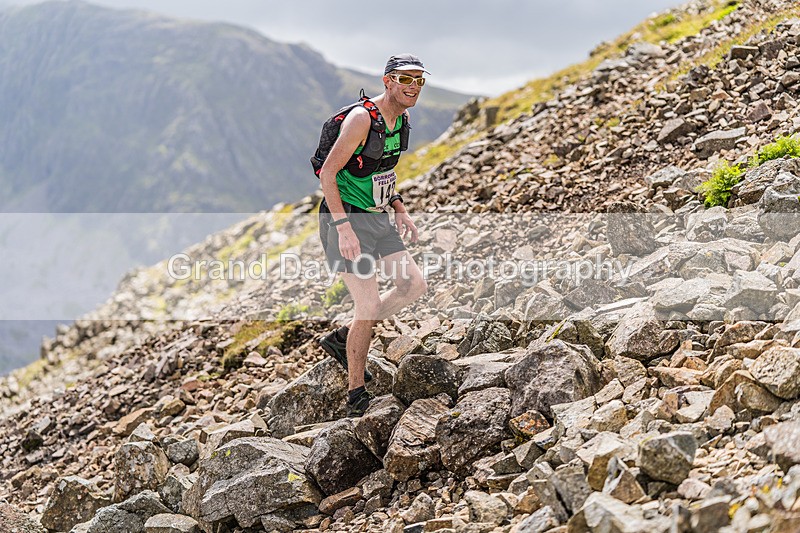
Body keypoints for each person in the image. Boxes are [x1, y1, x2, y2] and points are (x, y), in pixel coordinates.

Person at [317, 54, 429, 417]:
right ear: (388, 81)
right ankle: (356, 395)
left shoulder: (402, 121)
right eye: (406, 79)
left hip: (377, 217)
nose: (413, 87)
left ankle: (344, 338)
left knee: (414, 286)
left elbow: (381, 170)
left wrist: (398, 205)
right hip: (345, 218)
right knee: (367, 305)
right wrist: (343, 228)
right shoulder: (361, 119)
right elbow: (328, 175)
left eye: (419, 81)